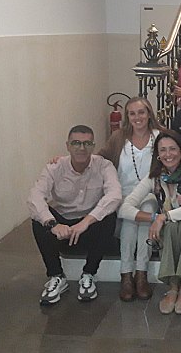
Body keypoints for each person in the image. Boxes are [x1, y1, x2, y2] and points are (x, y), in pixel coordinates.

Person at [27, 125, 121, 305]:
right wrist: (53, 224)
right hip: (62, 227)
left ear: (93, 146)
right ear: (68, 146)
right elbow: (35, 197)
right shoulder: (54, 167)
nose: (81, 148)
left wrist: (87, 221)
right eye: (76, 143)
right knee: (38, 219)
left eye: (87, 143)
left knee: (109, 216)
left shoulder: (104, 166)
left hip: (89, 228)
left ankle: (89, 275)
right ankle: (56, 276)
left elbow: (114, 195)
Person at [119, 130, 181, 315]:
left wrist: (164, 216)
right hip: (170, 234)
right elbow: (125, 208)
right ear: (158, 155)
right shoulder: (154, 178)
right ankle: (173, 286)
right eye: (163, 150)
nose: (168, 154)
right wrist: (153, 217)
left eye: (172, 149)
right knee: (172, 226)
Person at [97, 97, 162, 302]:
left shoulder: (160, 136)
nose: (137, 117)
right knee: (129, 219)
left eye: (141, 112)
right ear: (127, 117)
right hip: (123, 195)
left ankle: (140, 274)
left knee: (147, 209)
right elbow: (99, 159)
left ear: (149, 113)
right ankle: (127, 275)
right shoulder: (119, 138)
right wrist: (65, 160)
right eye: (132, 113)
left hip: (151, 194)